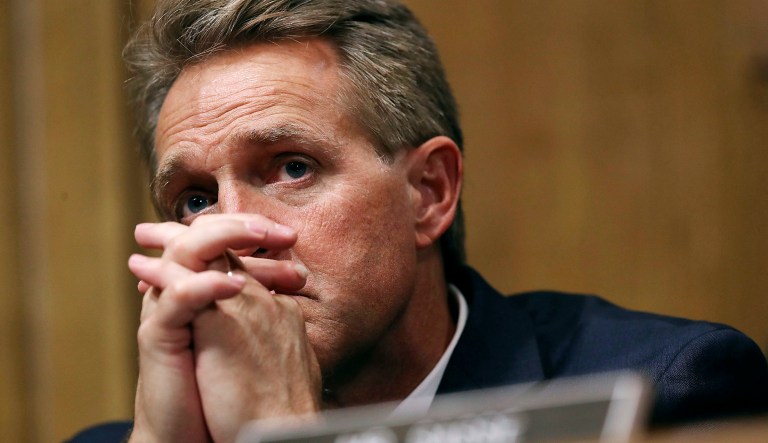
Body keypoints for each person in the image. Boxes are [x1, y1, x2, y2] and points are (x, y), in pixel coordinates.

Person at [69, 0, 768, 441]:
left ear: (429, 192)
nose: (231, 232)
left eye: (291, 167)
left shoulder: (662, 393)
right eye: (194, 199)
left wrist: (282, 438)